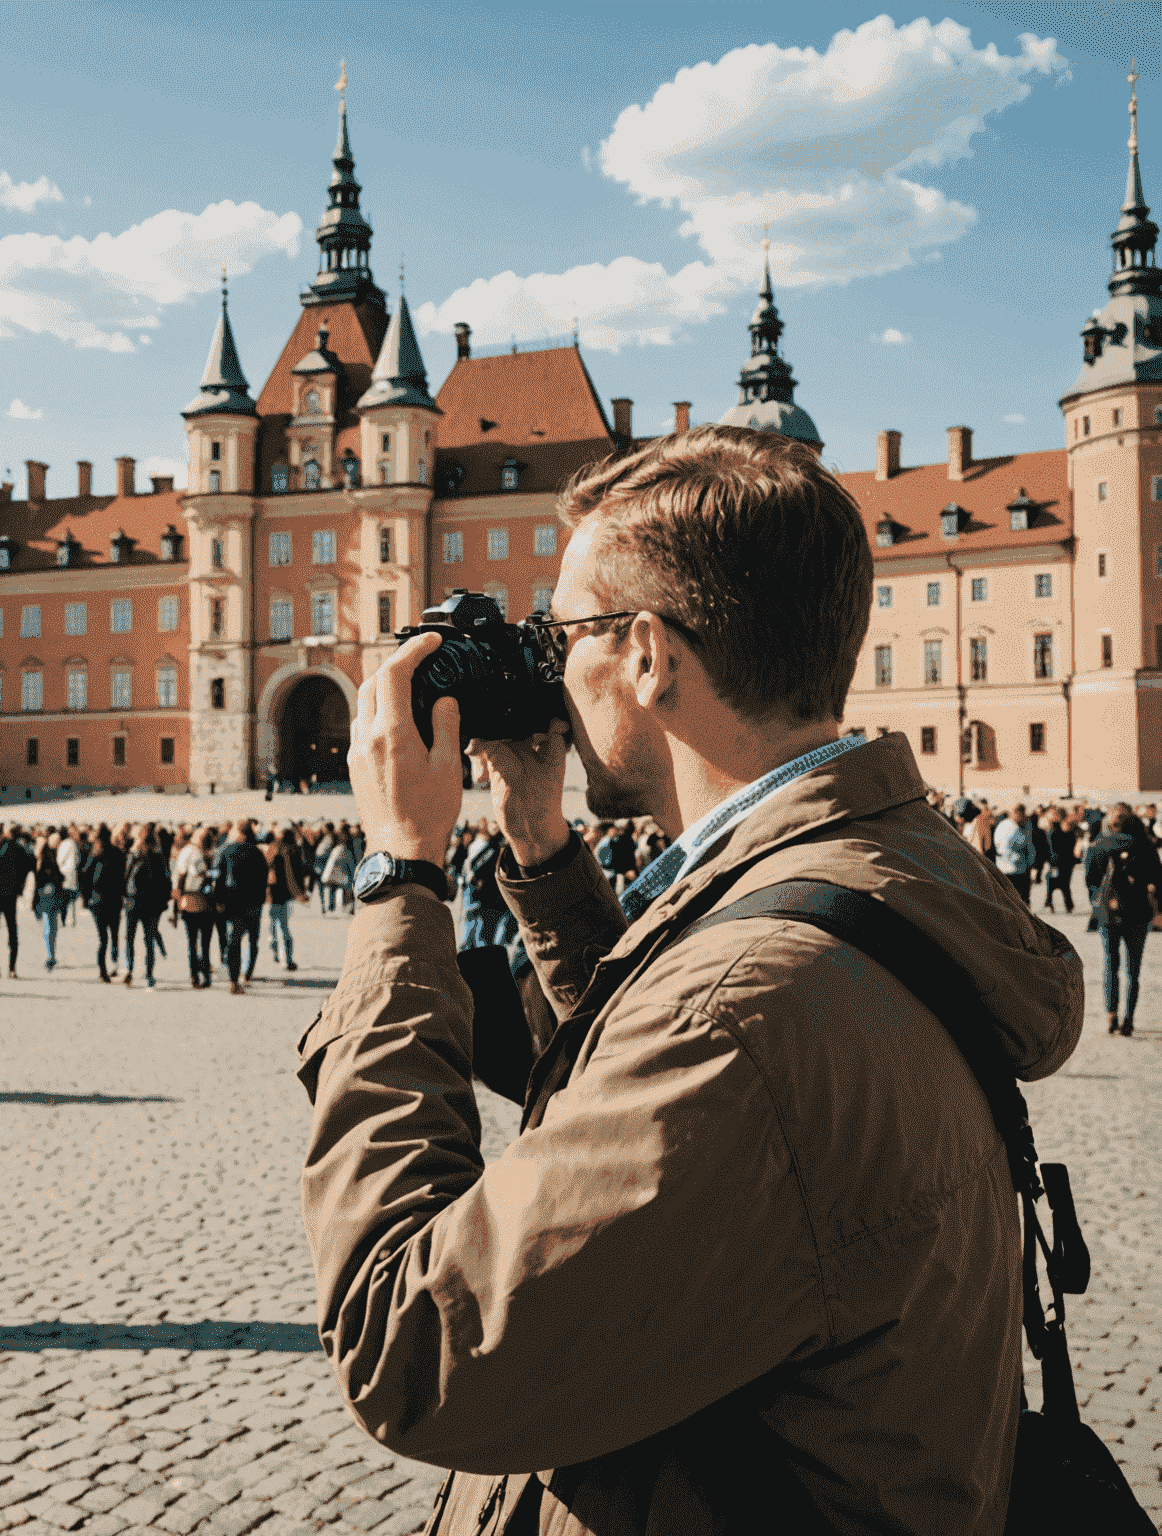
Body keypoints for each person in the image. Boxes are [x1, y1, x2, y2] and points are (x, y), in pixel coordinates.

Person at [295, 426, 1083, 1533]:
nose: (554, 665)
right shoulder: (881, 867)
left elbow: (412, 1349)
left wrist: (398, 882)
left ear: (653, 656)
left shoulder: (750, 1016)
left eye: (567, 633)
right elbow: (676, 1102)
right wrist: (542, 851)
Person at [1084, 804, 1162, 1036]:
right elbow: (1158, 879)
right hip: (1138, 913)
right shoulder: (1145, 846)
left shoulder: (1098, 846)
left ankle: (1111, 1015)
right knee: (1133, 970)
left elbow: (1091, 882)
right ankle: (1129, 1018)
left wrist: (1099, 904)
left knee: (1110, 964)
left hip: (1109, 914)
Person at [214, 818, 269, 994]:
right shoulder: (257, 852)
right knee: (253, 940)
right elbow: (263, 878)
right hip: (253, 902)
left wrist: (219, 901)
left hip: (233, 901)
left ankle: (233, 980)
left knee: (234, 940)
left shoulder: (227, 850)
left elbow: (219, 878)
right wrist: (260, 899)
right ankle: (248, 974)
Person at [0, 823, 30, 978]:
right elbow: (27, 866)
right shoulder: (19, 849)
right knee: (12, 931)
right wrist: (19, 887)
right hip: (10, 894)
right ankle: (12, 968)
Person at [123, 829, 171, 988]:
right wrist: (164, 902)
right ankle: (149, 975)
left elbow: (125, 877)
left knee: (130, 938)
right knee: (149, 940)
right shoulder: (160, 857)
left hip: (133, 902)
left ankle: (129, 971)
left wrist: (124, 896)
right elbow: (166, 881)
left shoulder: (133, 855)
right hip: (152, 903)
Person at [173, 827, 216, 988]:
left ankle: (194, 976)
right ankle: (205, 976)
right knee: (205, 943)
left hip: (187, 900)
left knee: (192, 942)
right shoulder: (197, 854)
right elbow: (197, 872)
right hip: (202, 900)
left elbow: (178, 877)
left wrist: (177, 904)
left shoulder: (185, 851)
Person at [82, 825, 126, 982]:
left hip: (98, 899)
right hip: (114, 899)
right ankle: (114, 964)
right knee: (114, 935)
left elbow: (85, 876)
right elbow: (123, 877)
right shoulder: (118, 854)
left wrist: (86, 899)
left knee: (103, 938)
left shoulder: (94, 855)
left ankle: (103, 971)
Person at [265, 829, 306, 971]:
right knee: (284, 927)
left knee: (274, 925)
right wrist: (300, 892)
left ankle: (275, 949)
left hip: (273, 894)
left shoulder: (272, 851)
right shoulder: (293, 852)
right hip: (285, 895)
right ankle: (287, 959)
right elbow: (296, 875)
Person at [31, 835, 64, 971]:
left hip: (48, 896)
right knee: (50, 928)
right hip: (46, 897)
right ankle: (50, 955)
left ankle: (50, 955)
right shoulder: (39, 860)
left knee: (50, 928)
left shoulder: (46, 859)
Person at [993, 802, 1034, 905]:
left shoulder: (1023, 827)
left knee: (1023, 901)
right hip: (1008, 870)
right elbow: (1001, 847)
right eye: (1022, 813)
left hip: (1021, 870)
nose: (1024, 816)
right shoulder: (1007, 827)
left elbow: (1029, 847)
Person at [1044, 810, 1080, 913]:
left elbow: (1051, 849)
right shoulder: (1068, 833)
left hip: (1059, 862)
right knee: (1062, 884)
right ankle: (1067, 905)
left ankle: (1053, 903)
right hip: (1065, 862)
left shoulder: (1054, 833)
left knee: (1057, 883)